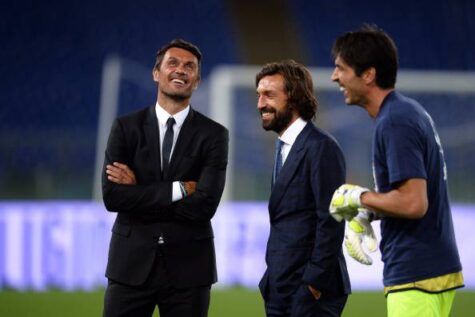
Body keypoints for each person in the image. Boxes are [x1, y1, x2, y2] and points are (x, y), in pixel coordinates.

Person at [329, 25, 464, 317]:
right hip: (429, 269)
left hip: (415, 272)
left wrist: (359, 197)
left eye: (341, 68)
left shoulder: (395, 120)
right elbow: (411, 195)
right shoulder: (405, 112)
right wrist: (371, 211)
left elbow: (414, 203)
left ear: (368, 74)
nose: (334, 77)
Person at [101, 39, 228, 317]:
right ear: (156, 73)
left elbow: (205, 205)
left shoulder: (215, 135)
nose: (181, 70)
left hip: (190, 270)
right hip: (130, 266)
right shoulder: (125, 128)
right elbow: (112, 196)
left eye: (189, 67)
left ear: (197, 81)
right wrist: (178, 190)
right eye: (173, 63)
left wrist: (138, 190)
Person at [256, 60, 351, 317]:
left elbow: (331, 220)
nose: (260, 104)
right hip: (280, 286)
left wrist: (313, 285)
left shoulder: (321, 147)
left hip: (309, 293)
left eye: (269, 95)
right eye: (259, 95)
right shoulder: (284, 146)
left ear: (295, 99)